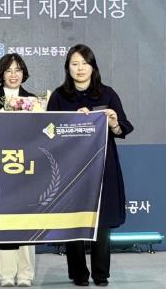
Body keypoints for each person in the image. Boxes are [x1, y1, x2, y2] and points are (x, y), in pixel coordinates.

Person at [47, 44, 133, 287]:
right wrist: (72, 120)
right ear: (67, 68)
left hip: (102, 167)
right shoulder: (59, 96)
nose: (80, 68)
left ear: (93, 67)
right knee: (73, 221)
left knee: (101, 223)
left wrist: (113, 122)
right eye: (74, 64)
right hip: (70, 169)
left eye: (85, 63)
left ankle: (101, 274)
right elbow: (48, 131)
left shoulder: (107, 94)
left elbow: (123, 128)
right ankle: (78, 274)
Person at [0, 53, 36, 287]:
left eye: (18, 70)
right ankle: (6, 275)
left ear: (24, 73)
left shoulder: (34, 101)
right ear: (1, 74)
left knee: (26, 221)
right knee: (2, 222)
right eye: (9, 70)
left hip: (26, 168)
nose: (13, 75)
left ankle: (25, 275)